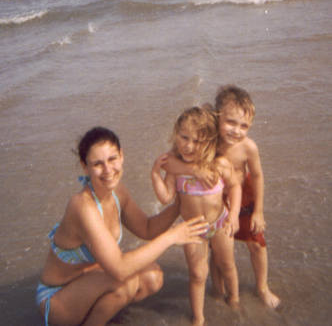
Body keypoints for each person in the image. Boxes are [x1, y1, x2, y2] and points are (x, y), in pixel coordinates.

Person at [36, 126, 209, 326]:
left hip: (89, 283)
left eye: (112, 159)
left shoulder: (117, 192)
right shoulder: (82, 206)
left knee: (153, 276)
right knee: (125, 282)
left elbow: (147, 228)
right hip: (57, 301)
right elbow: (119, 269)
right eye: (97, 164)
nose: (108, 170)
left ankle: (102, 313)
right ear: (85, 167)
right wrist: (172, 237)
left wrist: (181, 203)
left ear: (122, 156)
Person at [166, 86, 280, 308]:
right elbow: (171, 160)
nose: (236, 131)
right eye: (230, 122)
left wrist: (258, 211)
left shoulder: (248, 147)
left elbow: (257, 176)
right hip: (215, 198)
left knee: (256, 242)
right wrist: (195, 171)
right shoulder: (206, 139)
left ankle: (262, 287)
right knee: (218, 253)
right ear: (217, 117)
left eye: (244, 126)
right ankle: (218, 292)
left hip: (243, 195)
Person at [151, 107, 241, 326]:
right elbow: (165, 197)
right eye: (184, 137)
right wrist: (154, 174)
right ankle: (198, 318)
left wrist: (234, 215)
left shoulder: (218, 164)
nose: (188, 145)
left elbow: (235, 186)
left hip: (219, 223)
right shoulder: (174, 168)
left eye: (197, 141)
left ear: (209, 142)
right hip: (192, 229)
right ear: (176, 134)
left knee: (227, 265)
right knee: (198, 275)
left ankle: (235, 301)